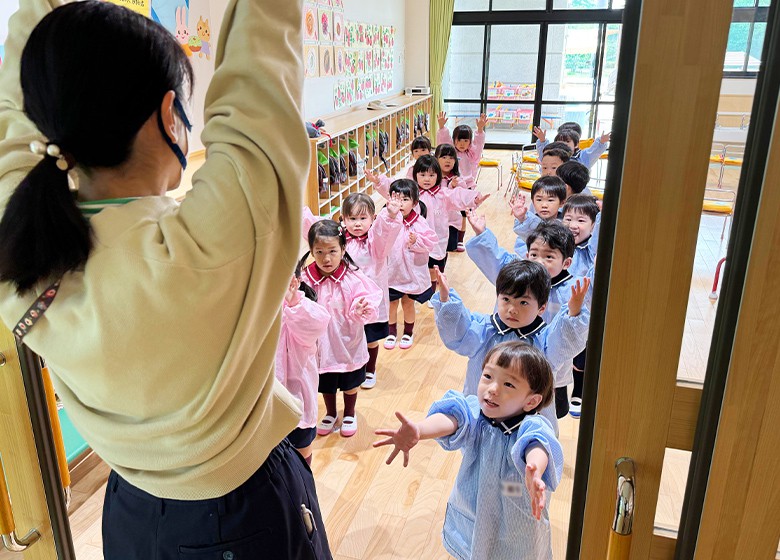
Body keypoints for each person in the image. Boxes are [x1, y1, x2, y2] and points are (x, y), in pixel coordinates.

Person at [0, 0, 332, 557]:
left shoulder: (19, 243)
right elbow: (258, 94)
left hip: (131, 509)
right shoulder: (205, 248)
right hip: (239, 516)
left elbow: (257, 97)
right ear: (167, 112)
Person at [373, 341, 564, 560]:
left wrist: (536, 470)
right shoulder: (476, 413)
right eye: (488, 377)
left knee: (514, 551)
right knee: (470, 548)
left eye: (509, 385)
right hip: (472, 508)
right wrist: (419, 429)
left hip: (515, 513)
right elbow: (453, 418)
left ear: (531, 401)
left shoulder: (532, 425)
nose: (492, 389)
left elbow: (537, 444)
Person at [431, 260, 590, 429]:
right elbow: (458, 332)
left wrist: (574, 312)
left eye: (523, 302)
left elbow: (564, 342)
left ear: (541, 308)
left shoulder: (544, 339)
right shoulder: (484, 329)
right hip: (485, 412)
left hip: (527, 423)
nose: (512, 309)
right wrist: (446, 300)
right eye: (506, 299)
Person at [466, 217, 588, 418]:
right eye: (534, 254)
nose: (539, 261)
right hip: (509, 350)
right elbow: (498, 260)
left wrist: (575, 310)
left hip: (547, 356)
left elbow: (570, 333)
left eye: (549, 257)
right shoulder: (520, 277)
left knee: (545, 404)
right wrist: (482, 234)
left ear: (566, 262)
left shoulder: (571, 289)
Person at [300, 220, 383, 438]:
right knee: (325, 380)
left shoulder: (352, 277)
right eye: (319, 252)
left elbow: (369, 297)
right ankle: (330, 413)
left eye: (332, 251)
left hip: (347, 340)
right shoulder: (305, 278)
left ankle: (349, 412)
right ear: (311, 251)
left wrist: (361, 307)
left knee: (349, 379)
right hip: (319, 343)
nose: (326, 258)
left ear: (343, 249)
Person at [338, 193, 403, 389]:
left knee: (371, 338)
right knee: (349, 336)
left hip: (370, 301)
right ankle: (351, 368)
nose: (357, 224)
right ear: (343, 219)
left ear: (373, 218)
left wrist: (390, 216)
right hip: (347, 301)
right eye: (352, 219)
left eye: (363, 218)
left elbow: (385, 233)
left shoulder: (375, 242)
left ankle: (370, 369)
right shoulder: (341, 241)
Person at [276, 274, 331, 465]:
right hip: (263, 398)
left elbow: (317, 323)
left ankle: (304, 488)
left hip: (297, 396)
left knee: (301, 446)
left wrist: (293, 301)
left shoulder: (300, 306)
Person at [384, 179, 438, 350]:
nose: (400, 204)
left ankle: (408, 332)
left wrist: (417, 241)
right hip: (392, 272)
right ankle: (391, 332)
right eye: (396, 198)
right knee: (391, 304)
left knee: (408, 303)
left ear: (415, 202)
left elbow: (430, 243)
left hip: (410, 273)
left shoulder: (419, 222)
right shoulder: (386, 219)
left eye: (405, 199)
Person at [511, 176, 568, 251]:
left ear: (562, 203)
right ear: (533, 201)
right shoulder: (531, 221)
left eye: (550, 200)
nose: (544, 205)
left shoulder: (566, 223)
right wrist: (522, 218)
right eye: (539, 200)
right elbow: (522, 245)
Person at [435, 142, 472, 253]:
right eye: (444, 157)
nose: (448, 160)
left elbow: (461, 196)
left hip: (452, 221)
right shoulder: (433, 178)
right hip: (436, 220)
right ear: (436, 159)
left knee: (450, 248)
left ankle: (459, 239)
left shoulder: (457, 179)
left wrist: (454, 186)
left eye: (451, 158)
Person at [436, 111, 488, 182]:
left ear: (470, 142)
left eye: (466, 141)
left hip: (468, 184)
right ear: (454, 139)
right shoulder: (450, 151)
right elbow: (443, 141)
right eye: (459, 140)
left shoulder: (471, 154)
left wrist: (480, 129)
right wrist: (441, 127)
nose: (462, 144)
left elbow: (478, 144)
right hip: (450, 183)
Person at [534, 125, 611, 170]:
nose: (563, 144)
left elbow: (593, 152)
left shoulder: (582, 157)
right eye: (559, 141)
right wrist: (542, 140)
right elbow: (544, 151)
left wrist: (601, 142)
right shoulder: (552, 154)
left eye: (567, 141)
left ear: (576, 144)